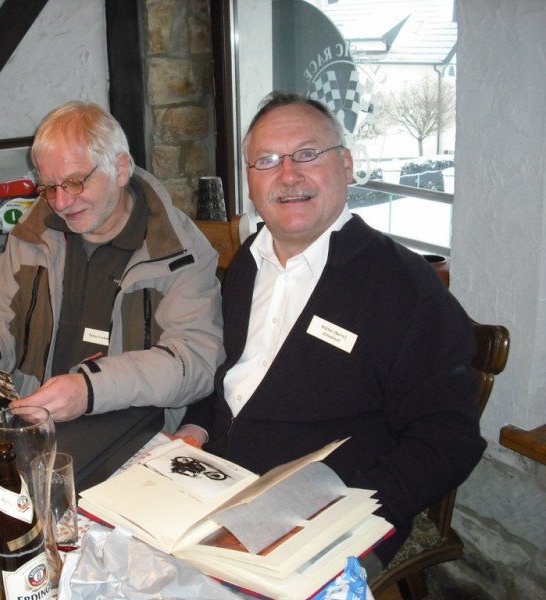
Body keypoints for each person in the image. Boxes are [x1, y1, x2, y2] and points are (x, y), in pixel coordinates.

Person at [174, 91, 486, 565]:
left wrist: (342, 516)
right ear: (251, 183)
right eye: (267, 160)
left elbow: (447, 438)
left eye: (307, 154)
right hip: (219, 477)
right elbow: (231, 367)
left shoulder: (403, 287)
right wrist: (195, 426)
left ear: (346, 164)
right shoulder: (247, 263)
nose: (288, 174)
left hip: (330, 513)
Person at [0, 101, 223, 429]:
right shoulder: (31, 237)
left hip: (135, 438)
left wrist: (89, 389)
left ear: (120, 169)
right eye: (49, 187)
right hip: (38, 424)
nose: (61, 203)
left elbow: (197, 363)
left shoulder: (179, 251)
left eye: (75, 182)